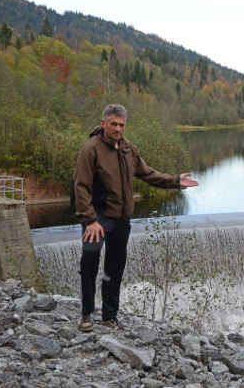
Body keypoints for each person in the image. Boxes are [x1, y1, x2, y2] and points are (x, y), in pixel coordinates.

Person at [73, 104, 198, 332]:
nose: (118, 129)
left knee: (115, 268)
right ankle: (86, 314)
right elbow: (80, 186)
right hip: (98, 217)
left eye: (121, 125)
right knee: (90, 257)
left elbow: (147, 173)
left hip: (121, 219)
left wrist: (174, 180)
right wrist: (90, 220)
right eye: (113, 124)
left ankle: (109, 316)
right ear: (103, 124)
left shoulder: (129, 149)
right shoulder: (91, 149)